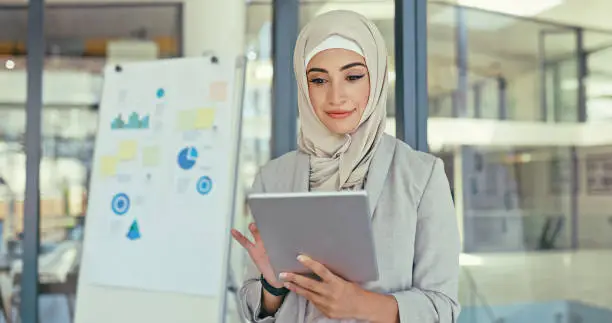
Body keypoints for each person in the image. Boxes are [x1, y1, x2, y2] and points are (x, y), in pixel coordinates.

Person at [231, 9, 460, 323]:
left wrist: (361, 305)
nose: (336, 96)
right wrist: (273, 286)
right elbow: (252, 312)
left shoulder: (421, 175)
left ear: (376, 77)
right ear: (303, 85)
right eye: (319, 80)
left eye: (352, 77)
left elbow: (443, 308)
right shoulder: (273, 178)